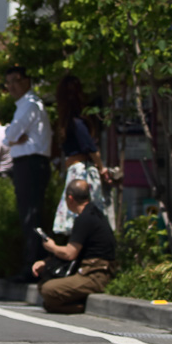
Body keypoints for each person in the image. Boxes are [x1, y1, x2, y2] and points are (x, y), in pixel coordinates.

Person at [32, 179, 116, 313]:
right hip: (90, 271)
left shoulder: (84, 218)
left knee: (49, 289)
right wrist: (46, 262)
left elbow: (70, 253)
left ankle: (79, 306)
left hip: (95, 275)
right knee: (45, 285)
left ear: (70, 199)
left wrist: (51, 246)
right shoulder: (94, 213)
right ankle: (68, 304)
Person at [3, 66, 53, 283]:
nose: (12, 86)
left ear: (27, 80)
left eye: (16, 80)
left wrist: (13, 137)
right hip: (26, 163)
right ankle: (34, 264)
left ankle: (33, 265)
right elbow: (9, 137)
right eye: (8, 82)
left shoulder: (30, 104)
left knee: (32, 216)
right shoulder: (24, 105)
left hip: (32, 163)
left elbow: (10, 134)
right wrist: (13, 138)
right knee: (28, 216)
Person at [52, 74, 111, 235]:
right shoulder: (77, 122)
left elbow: (89, 148)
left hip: (77, 171)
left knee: (78, 215)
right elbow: (91, 148)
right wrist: (102, 168)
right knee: (86, 214)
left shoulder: (68, 123)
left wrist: (101, 167)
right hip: (81, 170)